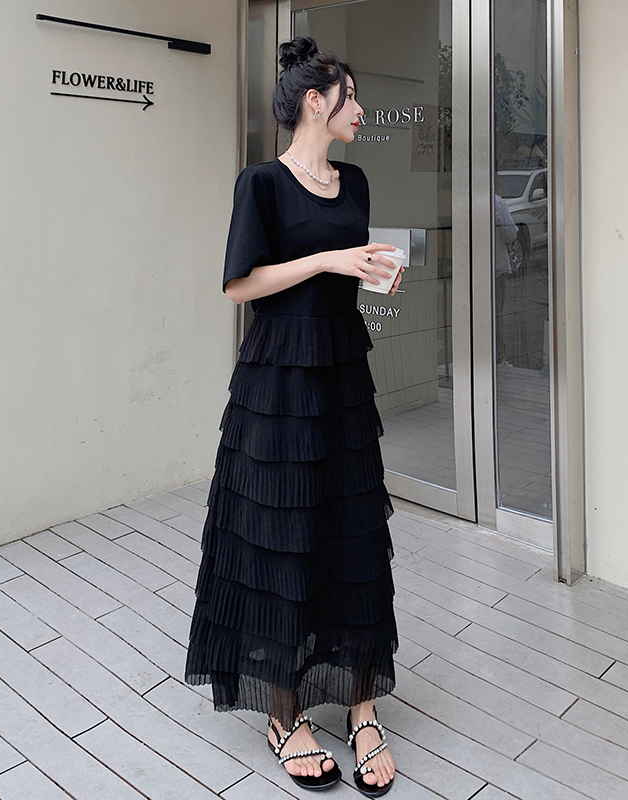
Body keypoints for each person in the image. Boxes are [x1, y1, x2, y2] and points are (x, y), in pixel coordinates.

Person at [184, 36, 400, 797]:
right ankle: (284, 714)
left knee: (354, 532)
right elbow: (239, 285)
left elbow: (346, 273)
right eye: (351, 96)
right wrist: (328, 260)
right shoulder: (262, 184)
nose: (360, 109)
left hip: (341, 372)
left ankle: (362, 706)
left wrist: (372, 273)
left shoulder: (356, 181)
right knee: (282, 536)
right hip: (277, 381)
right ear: (316, 101)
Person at [493, 173, 518, 365]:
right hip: (496, 266)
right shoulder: (497, 204)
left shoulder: (465, 200)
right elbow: (511, 233)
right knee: (496, 313)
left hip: (472, 269)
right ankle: (498, 357)